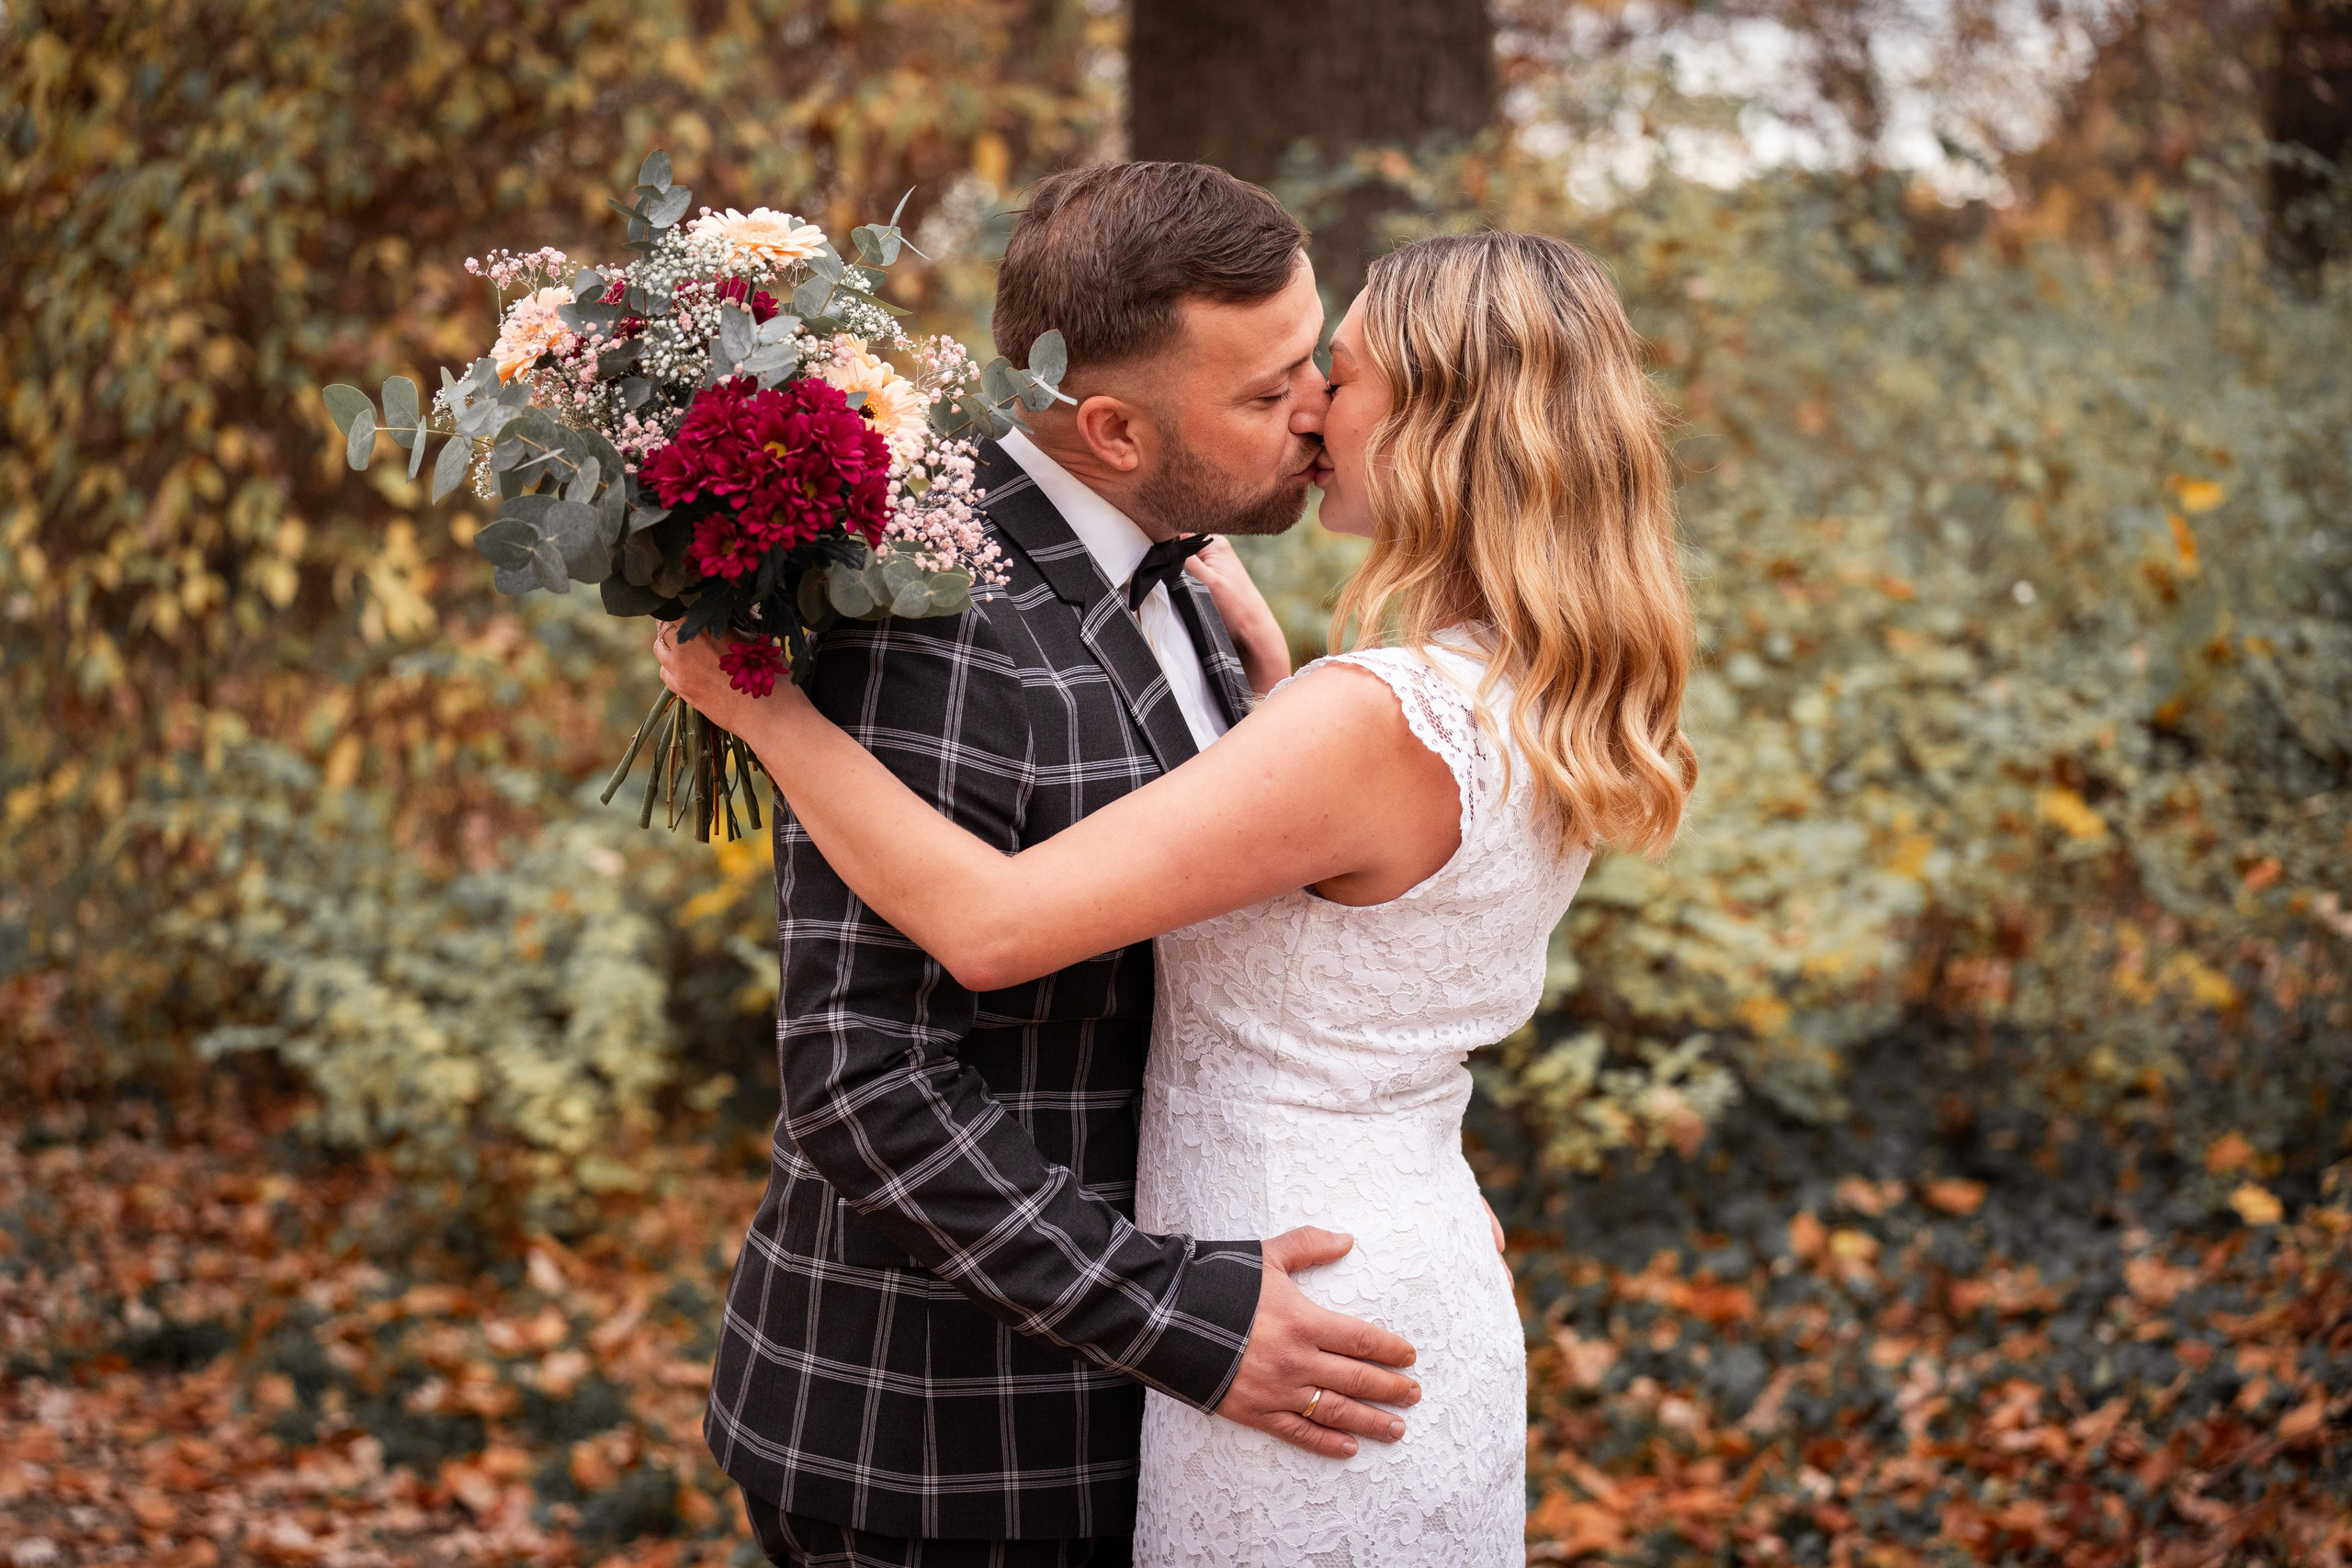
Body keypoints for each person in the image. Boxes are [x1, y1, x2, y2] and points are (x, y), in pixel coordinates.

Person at [665, 228, 1699, 1565]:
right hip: (1398, 1258)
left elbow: (992, 925)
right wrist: (1271, 692)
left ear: (1446, 429)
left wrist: (763, 708)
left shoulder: (1362, 718)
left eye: (1342, 372)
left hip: (1301, 1307)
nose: (1319, 408)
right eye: (1287, 383)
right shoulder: (1527, 688)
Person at [695, 162, 1429, 1568]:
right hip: (940, 1443)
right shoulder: (938, 615)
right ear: (1110, 427)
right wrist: (1179, 1316)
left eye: (1313, 364)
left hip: (1109, 1420)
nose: (1321, 416)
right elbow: (866, 1078)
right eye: (1271, 395)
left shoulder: (1185, 568)